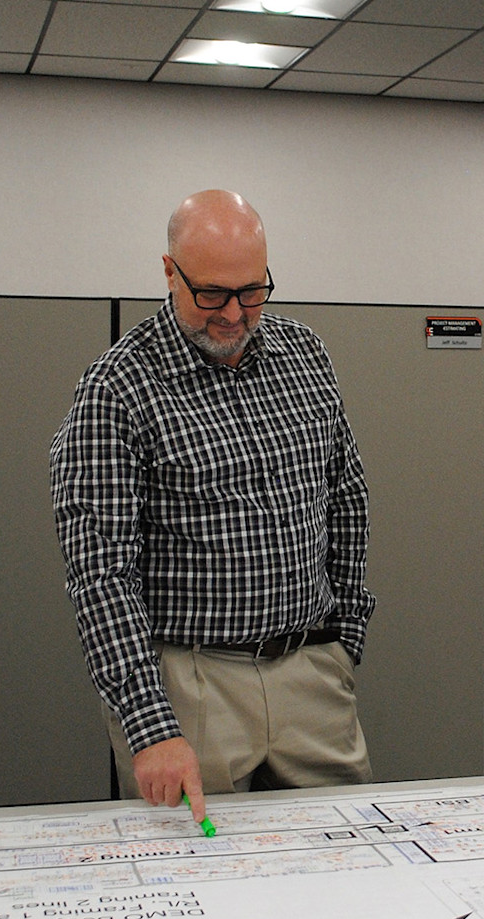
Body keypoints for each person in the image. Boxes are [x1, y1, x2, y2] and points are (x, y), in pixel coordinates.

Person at [50, 189, 375, 826]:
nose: (233, 313)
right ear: (169, 272)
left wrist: (346, 637)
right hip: (191, 687)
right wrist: (148, 724)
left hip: (310, 670)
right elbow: (100, 574)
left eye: (252, 292)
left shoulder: (305, 358)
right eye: (212, 294)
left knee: (346, 857)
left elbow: (347, 495)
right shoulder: (117, 389)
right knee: (199, 879)